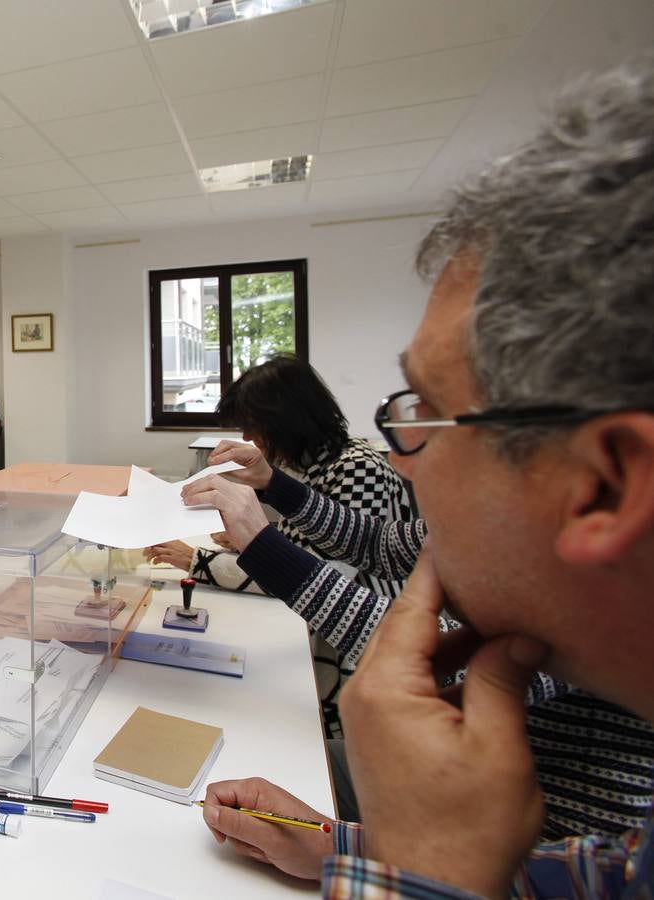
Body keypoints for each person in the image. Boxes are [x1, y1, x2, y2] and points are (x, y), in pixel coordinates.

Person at [189, 58, 654, 896]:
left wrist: (419, 877)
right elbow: (572, 877)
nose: (404, 459)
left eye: (428, 415)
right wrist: (341, 851)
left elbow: (426, 668)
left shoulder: (537, 646)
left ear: (606, 488)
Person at [188, 439, 653, 838]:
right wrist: (273, 484)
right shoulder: (511, 516)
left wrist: (262, 545)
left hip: (516, 843)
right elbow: (378, 544)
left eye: (439, 416)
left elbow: (433, 665)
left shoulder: (608, 590)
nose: (399, 459)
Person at [144, 355, 412, 604]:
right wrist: (249, 537)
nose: (248, 437)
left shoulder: (360, 469)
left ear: (286, 421)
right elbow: (303, 544)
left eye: (252, 425)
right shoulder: (311, 462)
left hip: (365, 638)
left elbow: (320, 580)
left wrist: (196, 561)